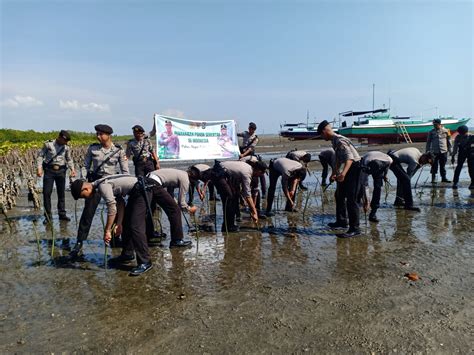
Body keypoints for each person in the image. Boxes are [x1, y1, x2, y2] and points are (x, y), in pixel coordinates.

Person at [70, 175, 192, 276]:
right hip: (137, 191)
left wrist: (107, 230)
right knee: (128, 222)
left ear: (84, 189)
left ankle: (145, 261)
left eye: (83, 197)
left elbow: (112, 208)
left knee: (135, 226)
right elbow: (120, 203)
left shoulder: (102, 186)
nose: (85, 199)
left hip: (144, 188)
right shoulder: (100, 184)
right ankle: (127, 254)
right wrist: (119, 224)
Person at [69, 124, 129, 259]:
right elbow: (85, 165)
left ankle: (115, 238)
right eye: (97, 134)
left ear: (109, 135)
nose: (98, 136)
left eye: (101, 134)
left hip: (113, 184)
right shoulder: (93, 148)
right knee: (87, 213)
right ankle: (79, 242)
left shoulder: (119, 150)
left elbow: (125, 171)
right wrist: (84, 181)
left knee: (116, 210)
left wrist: (124, 187)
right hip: (95, 184)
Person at [317, 120, 361, 238]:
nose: (322, 137)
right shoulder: (334, 141)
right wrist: (334, 172)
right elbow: (337, 159)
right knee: (339, 195)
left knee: (352, 199)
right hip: (348, 168)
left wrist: (343, 174)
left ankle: (355, 229)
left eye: (321, 135)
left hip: (354, 168)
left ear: (324, 132)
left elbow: (350, 158)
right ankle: (341, 221)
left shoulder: (340, 140)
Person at [210, 160, 267, 232]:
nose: (260, 176)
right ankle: (228, 227)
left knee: (233, 197)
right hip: (218, 172)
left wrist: (242, 199)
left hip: (224, 173)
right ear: (258, 171)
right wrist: (254, 212)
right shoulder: (247, 173)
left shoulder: (248, 168)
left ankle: (228, 225)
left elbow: (241, 189)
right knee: (229, 198)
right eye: (262, 173)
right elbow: (248, 194)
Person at [36, 130, 76, 224]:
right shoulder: (48, 144)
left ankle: (62, 215)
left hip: (61, 171)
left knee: (61, 194)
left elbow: (69, 159)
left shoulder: (66, 147)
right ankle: (48, 217)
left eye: (67, 142)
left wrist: (72, 169)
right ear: (60, 137)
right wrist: (39, 168)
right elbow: (40, 156)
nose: (66, 143)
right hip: (49, 171)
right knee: (46, 193)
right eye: (64, 140)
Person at [358, 151, 393, 223]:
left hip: (379, 163)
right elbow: (365, 185)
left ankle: (373, 213)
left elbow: (387, 166)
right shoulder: (366, 162)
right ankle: (357, 205)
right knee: (361, 185)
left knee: (378, 188)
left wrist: (385, 175)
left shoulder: (389, 160)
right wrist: (367, 202)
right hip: (368, 161)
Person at [237, 122, 266, 197]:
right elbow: (236, 134)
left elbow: (250, 149)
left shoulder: (255, 138)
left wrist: (243, 155)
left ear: (254, 130)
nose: (250, 130)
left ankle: (264, 192)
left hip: (250, 154)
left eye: (252, 129)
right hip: (242, 153)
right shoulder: (245, 133)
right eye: (249, 128)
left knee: (260, 173)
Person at [426, 118, 452, 183]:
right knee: (434, 165)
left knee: (442, 166)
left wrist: (450, 150)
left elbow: (449, 141)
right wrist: (427, 151)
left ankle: (444, 178)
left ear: (440, 124)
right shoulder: (431, 132)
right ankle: (433, 179)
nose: (434, 126)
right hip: (434, 152)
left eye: (436, 124)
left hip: (443, 151)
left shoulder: (446, 131)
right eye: (434, 124)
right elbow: (428, 142)